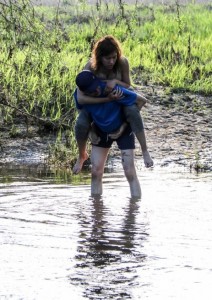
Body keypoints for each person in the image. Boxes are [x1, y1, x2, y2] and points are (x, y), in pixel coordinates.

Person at [73, 35, 153, 175]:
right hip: (100, 102)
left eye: (114, 57)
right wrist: (106, 99)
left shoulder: (122, 63)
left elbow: (128, 85)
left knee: (133, 111)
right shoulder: (90, 67)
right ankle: (82, 155)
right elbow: (81, 99)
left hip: (118, 97)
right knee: (80, 122)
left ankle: (145, 150)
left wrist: (115, 82)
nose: (111, 61)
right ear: (99, 57)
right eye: (107, 58)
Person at [73, 71, 142, 199]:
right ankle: (96, 210)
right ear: (84, 92)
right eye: (92, 91)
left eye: (97, 87)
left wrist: (123, 127)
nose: (97, 90)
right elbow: (83, 116)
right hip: (101, 128)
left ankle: (134, 210)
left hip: (123, 127)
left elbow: (141, 101)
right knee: (96, 171)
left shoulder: (113, 88)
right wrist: (91, 131)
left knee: (129, 171)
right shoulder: (82, 98)